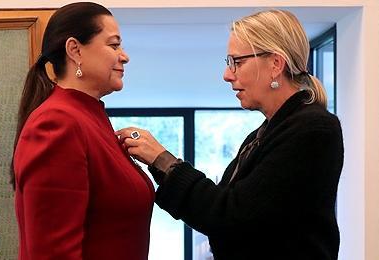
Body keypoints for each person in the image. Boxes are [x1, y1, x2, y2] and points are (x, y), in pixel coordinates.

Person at [117, 9, 344, 260]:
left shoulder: (313, 130)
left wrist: (164, 161)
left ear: (275, 64)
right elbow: (224, 209)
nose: (228, 75)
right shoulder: (263, 134)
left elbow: (230, 217)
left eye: (238, 62)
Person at [12, 2, 154, 259]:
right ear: (75, 50)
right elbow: (54, 253)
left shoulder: (88, 118)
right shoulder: (57, 123)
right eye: (113, 45)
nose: (124, 56)